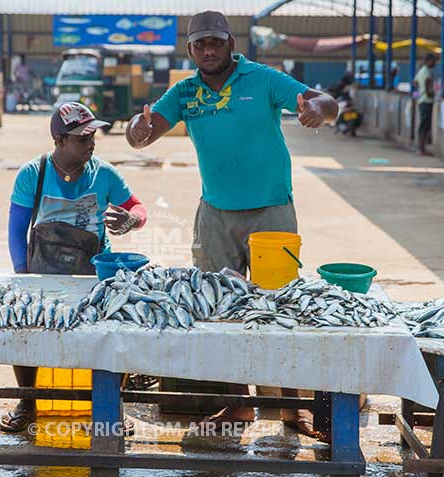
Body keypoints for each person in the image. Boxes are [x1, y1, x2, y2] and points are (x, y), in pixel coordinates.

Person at [125, 10, 338, 439]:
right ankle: (238, 404)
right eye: (199, 44)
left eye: (215, 43)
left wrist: (317, 110)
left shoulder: (262, 79)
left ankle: (291, 410)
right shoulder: (184, 92)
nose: (208, 50)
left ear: (230, 44)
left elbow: (325, 103)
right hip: (216, 215)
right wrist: (138, 129)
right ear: (189, 50)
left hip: (270, 213)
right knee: (220, 310)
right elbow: (143, 133)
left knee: (278, 308)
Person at [1, 101, 148, 433]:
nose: (91, 143)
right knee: (26, 332)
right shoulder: (33, 173)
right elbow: (16, 228)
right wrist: (22, 272)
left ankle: (111, 407)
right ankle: (27, 401)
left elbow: (138, 208)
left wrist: (130, 220)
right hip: (42, 268)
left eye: (93, 135)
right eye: (82, 138)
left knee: (110, 333)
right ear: (59, 140)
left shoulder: (105, 174)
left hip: (92, 270)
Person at [413, 53, 437, 155]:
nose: (435, 63)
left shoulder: (421, 70)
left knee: (423, 125)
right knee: (425, 125)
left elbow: (415, 82)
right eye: (434, 61)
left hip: (421, 100)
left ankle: (421, 148)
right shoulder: (427, 72)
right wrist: (430, 93)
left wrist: (420, 90)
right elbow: (428, 90)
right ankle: (421, 149)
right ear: (429, 61)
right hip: (426, 101)